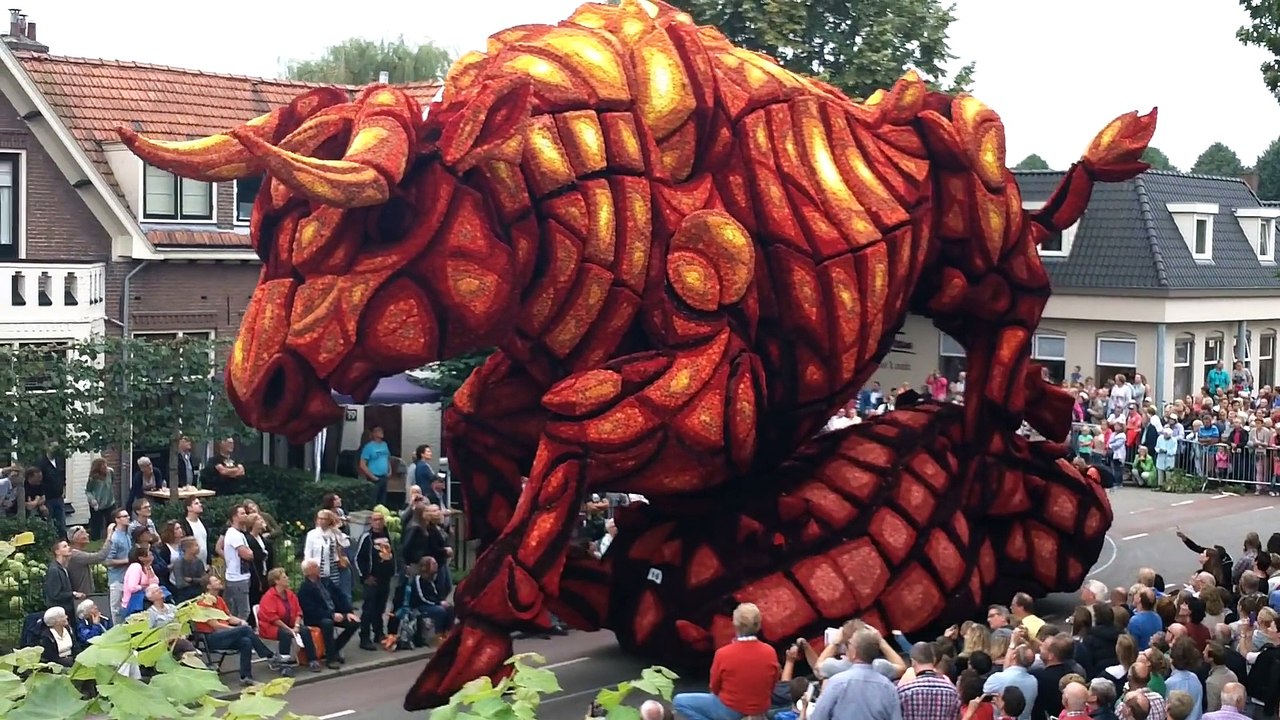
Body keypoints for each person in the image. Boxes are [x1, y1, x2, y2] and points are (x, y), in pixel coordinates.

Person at [674, 603, 780, 720]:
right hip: (760, 710)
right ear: (758, 625)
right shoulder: (770, 652)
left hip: (731, 710)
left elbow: (714, 687)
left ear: (735, 624)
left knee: (679, 701)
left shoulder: (723, 654)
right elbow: (773, 684)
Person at [193, 575, 293, 687]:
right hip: (212, 637)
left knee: (246, 641)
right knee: (244, 630)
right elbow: (215, 625)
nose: (219, 581)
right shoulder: (203, 603)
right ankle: (268, 655)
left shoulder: (219, 600)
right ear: (208, 586)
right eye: (215, 580)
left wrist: (240, 622)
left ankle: (246, 677)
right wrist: (237, 629)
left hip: (225, 635)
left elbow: (229, 617)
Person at [808, 625, 901, 720]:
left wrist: (834, 643)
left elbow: (818, 716)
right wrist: (881, 641)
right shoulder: (889, 688)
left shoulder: (837, 682)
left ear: (854, 653)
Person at [297, 558, 359, 670]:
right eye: (316, 566)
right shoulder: (304, 589)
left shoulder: (326, 581)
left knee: (354, 623)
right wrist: (331, 615)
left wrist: (348, 612)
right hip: (317, 618)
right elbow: (311, 610)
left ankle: (334, 649)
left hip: (335, 613)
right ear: (309, 571)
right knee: (327, 623)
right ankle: (331, 659)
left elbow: (341, 596)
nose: (319, 568)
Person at [257, 568, 320, 673]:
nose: (287, 579)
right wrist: (289, 629)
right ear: (277, 581)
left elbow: (298, 612)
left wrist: (296, 626)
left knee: (305, 630)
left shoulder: (290, 594)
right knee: (285, 634)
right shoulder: (268, 597)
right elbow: (273, 618)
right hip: (271, 627)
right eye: (284, 577)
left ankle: (312, 659)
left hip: (290, 624)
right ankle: (284, 665)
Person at [356, 510, 397, 651]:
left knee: (380, 608)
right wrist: (365, 576)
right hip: (371, 580)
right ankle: (364, 637)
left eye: (380, 519)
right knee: (368, 609)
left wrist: (393, 570)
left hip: (385, 578)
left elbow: (392, 554)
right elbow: (358, 558)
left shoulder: (387, 535)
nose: (378, 522)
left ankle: (378, 633)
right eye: (375, 520)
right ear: (371, 522)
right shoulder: (366, 537)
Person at [222, 503, 254, 620]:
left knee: (235, 610)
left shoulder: (239, 534)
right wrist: (250, 552)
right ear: (235, 517)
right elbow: (247, 555)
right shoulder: (234, 534)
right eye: (242, 513)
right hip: (237, 579)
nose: (246, 515)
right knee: (243, 611)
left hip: (242, 577)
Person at [43, 539, 80, 623]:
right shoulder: (54, 570)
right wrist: (73, 594)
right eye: (65, 546)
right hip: (59, 614)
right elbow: (55, 594)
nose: (69, 548)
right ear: (57, 552)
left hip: (67, 610)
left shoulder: (63, 568)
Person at [38, 441, 67, 539]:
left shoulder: (59, 460)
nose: (56, 450)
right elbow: (39, 482)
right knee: (49, 523)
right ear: (47, 447)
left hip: (59, 497)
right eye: (54, 447)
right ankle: (51, 544)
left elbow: (62, 476)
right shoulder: (41, 463)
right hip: (47, 498)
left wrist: (63, 488)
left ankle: (64, 543)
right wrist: (41, 500)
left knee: (61, 523)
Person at [359, 426, 393, 507]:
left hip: (384, 476)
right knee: (374, 500)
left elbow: (387, 458)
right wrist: (372, 476)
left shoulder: (385, 444)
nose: (381, 432)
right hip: (374, 477)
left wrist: (390, 470)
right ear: (373, 434)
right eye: (378, 431)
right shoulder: (369, 447)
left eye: (381, 430)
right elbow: (362, 464)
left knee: (383, 501)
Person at [84, 458, 115, 541]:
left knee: (111, 522)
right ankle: (95, 540)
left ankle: (111, 539)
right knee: (96, 524)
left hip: (109, 502)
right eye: (103, 465)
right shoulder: (93, 478)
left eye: (106, 464)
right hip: (97, 504)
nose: (105, 467)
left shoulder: (110, 472)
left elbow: (112, 482)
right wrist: (92, 500)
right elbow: (88, 491)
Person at [170, 537, 206, 604]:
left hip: (198, 592)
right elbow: (180, 583)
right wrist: (197, 581)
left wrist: (192, 580)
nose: (198, 547)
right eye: (196, 545)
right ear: (188, 548)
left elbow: (204, 579)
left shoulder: (199, 561)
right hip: (184, 595)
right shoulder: (179, 562)